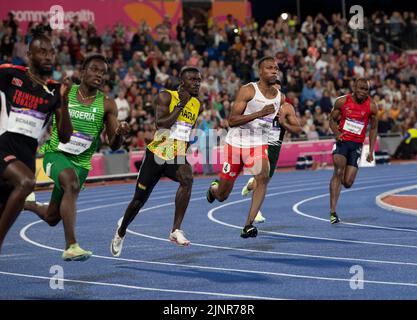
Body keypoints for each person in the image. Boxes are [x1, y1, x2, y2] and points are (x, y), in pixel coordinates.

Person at [24, 53, 130, 261]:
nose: (99, 75)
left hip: (81, 164)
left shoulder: (107, 104)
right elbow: (53, 128)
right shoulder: (65, 92)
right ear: (82, 72)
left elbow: (113, 144)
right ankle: (71, 245)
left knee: (52, 217)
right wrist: (62, 101)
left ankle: (27, 203)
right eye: (94, 70)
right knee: (70, 182)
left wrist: (120, 134)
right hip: (56, 154)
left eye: (103, 73)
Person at [110, 66, 202, 257]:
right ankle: (121, 231)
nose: (197, 83)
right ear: (182, 82)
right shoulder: (165, 96)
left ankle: (175, 230)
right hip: (157, 154)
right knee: (138, 201)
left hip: (176, 156)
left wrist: (185, 152)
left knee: (188, 177)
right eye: (193, 80)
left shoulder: (196, 104)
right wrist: (180, 106)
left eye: (199, 80)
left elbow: (186, 132)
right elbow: (161, 124)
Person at [0, 33, 73, 253]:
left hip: (26, 157)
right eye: (42, 52)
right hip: (3, 147)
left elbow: (65, 136)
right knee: (27, 182)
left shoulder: (55, 90)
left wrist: (64, 101)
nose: (49, 56)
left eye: (52, 52)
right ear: (29, 54)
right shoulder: (9, 73)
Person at [206, 56, 284, 238]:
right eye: (269, 68)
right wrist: (259, 113)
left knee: (263, 177)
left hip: (257, 146)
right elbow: (231, 120)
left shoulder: (280, 97)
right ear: (260, 72)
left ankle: (248, 225)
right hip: (236, 145)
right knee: (223, 195)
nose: (274, 71)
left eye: (276, 68)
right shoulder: (248, 90)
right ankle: (213, 189)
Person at [241, 97, 302, 222]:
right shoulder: (258, 103)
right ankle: (255, 212)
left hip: (275, 146)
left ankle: (250, 185)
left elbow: (298, 130)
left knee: (265, 179)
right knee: (261, 178)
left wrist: (283, 122)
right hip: (259, 144)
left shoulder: (286, 108)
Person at [328, 77, 378, 224]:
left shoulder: (372, 106)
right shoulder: (342, 102)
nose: (363, 92)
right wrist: (337, 133)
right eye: (360, 88)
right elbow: (331, 120)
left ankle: (341, 173)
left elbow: (374, 128)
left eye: (366, 89)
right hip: (342, 142)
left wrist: (371, 151)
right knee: (337, 171)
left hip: (356, 145)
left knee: (348, 182)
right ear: (354, 88)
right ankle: (333, 212)